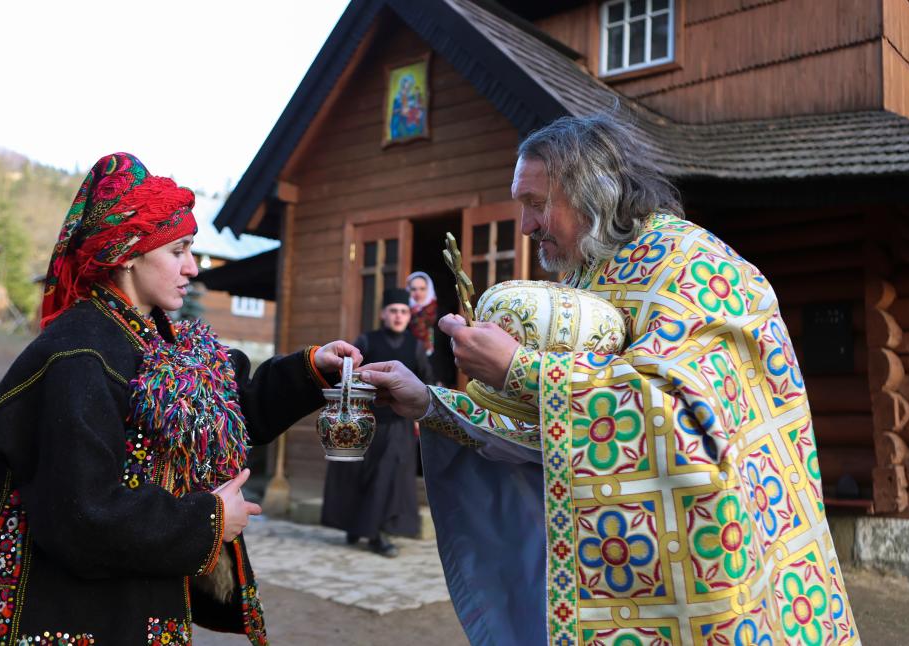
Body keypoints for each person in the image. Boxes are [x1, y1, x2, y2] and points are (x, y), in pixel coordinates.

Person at [360, 115, 859, 645]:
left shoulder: (696, 267)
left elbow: (686, 424)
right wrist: (430, 404)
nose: (525, 225)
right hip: (619, 568)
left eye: (535, 202)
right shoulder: (589, 272)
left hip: (714, 569)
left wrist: (521, 368)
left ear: (590, 190)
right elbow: (560, 435)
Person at [0, 153, 360, 644]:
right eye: (179, 251)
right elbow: (84, 515)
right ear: (127, 252)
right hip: (69, 618)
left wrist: (308, 373)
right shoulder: (77, 358)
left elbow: (218, 419)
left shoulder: (153, 340)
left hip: (128, 606)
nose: (194, 266)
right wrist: (209, 522)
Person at [321, 287, 433, 557]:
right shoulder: (367, 340)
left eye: (403, 312)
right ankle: (355, 525)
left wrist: (422, 415)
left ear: (409, 315)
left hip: (398, 425)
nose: (398, 316)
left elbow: (425, 382)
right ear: (384, 314)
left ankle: (377, 534)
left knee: (387, 479)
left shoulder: (416, 347)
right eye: (393, 311)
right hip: (365, 422)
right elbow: (350, 373)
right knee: (358, 476)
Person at [406, 271, 438, 357]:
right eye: (413, 289)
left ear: (429, 289)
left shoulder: (438, 311)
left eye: (422, 289)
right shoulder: (403, 312)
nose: (418, 293)